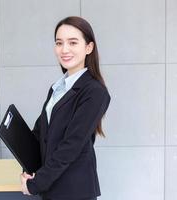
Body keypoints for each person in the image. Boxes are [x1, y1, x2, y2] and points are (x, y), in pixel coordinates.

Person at [20, 16, 111, 200]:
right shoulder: (57, 88)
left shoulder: (95, 92)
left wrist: (37, 184)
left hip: (74, 190)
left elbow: (71, 146)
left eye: (73, 42)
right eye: (59, 43)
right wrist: (27, 168)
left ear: (88, 48)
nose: (64, 49)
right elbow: (40, 134)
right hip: (52, 187)